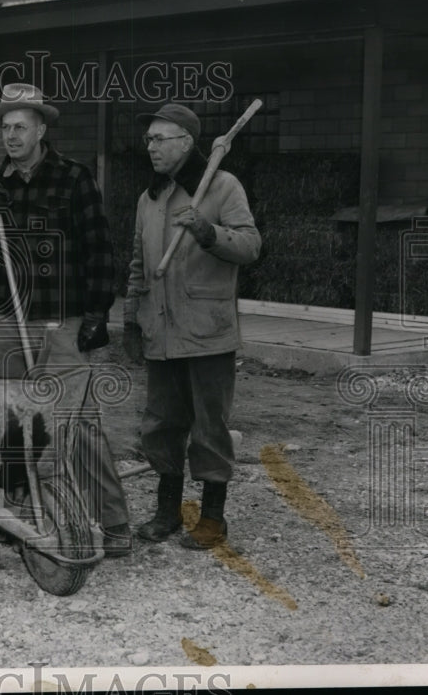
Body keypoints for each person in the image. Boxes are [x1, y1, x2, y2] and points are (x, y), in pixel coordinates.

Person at [0, 82, 132, 558]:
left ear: (41, 129)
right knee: (12, 422)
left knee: (78, 425)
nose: (11, 136)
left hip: (62, 321)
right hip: (7, 320)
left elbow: (100, 249)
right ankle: (16, 518)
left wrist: (98, 313)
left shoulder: (74, 178)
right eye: (5, 128)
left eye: (21, 126)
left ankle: (115, 524)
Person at [123, 103, 261, 549]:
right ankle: (167, 512)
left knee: (209, 426)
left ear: (185, 142)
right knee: (161, 424)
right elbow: (138, 265)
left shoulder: (221, 187)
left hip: (206, 332)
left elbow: (250, 245)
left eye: (159, 139)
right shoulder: (150, 197)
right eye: (148, 140)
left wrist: (206, 231)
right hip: (159, 332)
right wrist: (130, 316)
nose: (151, 147)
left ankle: (213, 518)